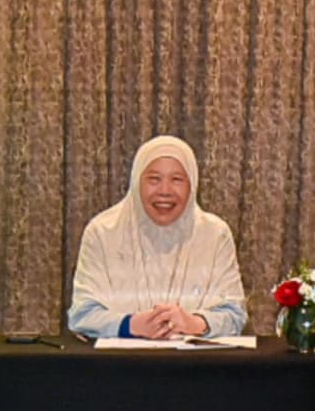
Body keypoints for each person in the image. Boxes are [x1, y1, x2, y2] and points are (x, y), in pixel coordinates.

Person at [67, 135, 248, 340]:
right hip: (119, 360)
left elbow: (235, 315)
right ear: (136, 181)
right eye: (154, 179)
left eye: (177, 180)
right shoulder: (102, 232)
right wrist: (131, 325)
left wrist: (193, 323)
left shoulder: (215, 234)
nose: (164, 191)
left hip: (195, 359)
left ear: (192, 184)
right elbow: (82, 315)